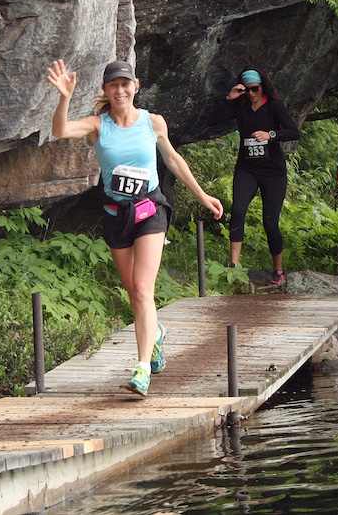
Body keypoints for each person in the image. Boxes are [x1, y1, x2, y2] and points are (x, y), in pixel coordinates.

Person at [48, 58, 223, 397]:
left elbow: (172, 159)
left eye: (125, 84)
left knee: (143, 290)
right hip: (117, 214)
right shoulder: (98, 126)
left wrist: (202, 195)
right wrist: (64, 97)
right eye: (113, 85)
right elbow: (60, 131)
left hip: (150, 210)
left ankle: (142, 369)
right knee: (134, 293)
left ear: (136, 86)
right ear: (105, 89)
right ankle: (154, 334)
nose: (120, 90)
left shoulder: (152, 122)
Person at [223, 67, 301, 288]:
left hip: (273, 172)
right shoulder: (240, 106)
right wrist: (229, 99)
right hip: (247, 169)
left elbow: (294, 131)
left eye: (254, 89)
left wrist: (270, 135)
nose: (250, 93)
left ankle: (278, 270)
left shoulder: (274, 106)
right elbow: (216, 120)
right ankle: (234, 266)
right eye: (246, 89)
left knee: (270, 222)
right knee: (238, 211)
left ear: (262, 87)